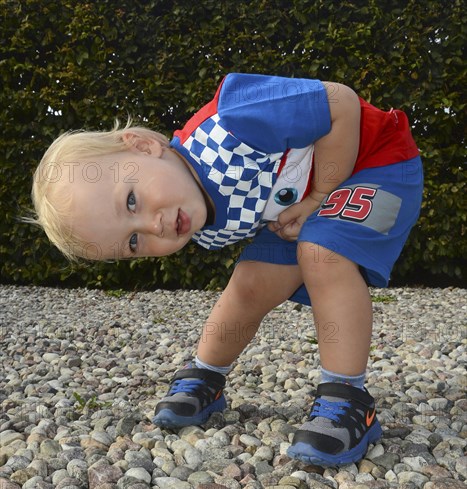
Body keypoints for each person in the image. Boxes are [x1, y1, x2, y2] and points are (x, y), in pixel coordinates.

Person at [31, 73, 423, 467]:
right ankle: (206, 376)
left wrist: (322, 194)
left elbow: (340, 102)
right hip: (304, 200)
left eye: (132, 201)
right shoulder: (192, 205)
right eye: (134, 241)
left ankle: (347, 399)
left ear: (144, 145)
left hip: (380, 162)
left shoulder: (234, 121)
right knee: (251, 282)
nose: (154, 226)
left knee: (322, 252)